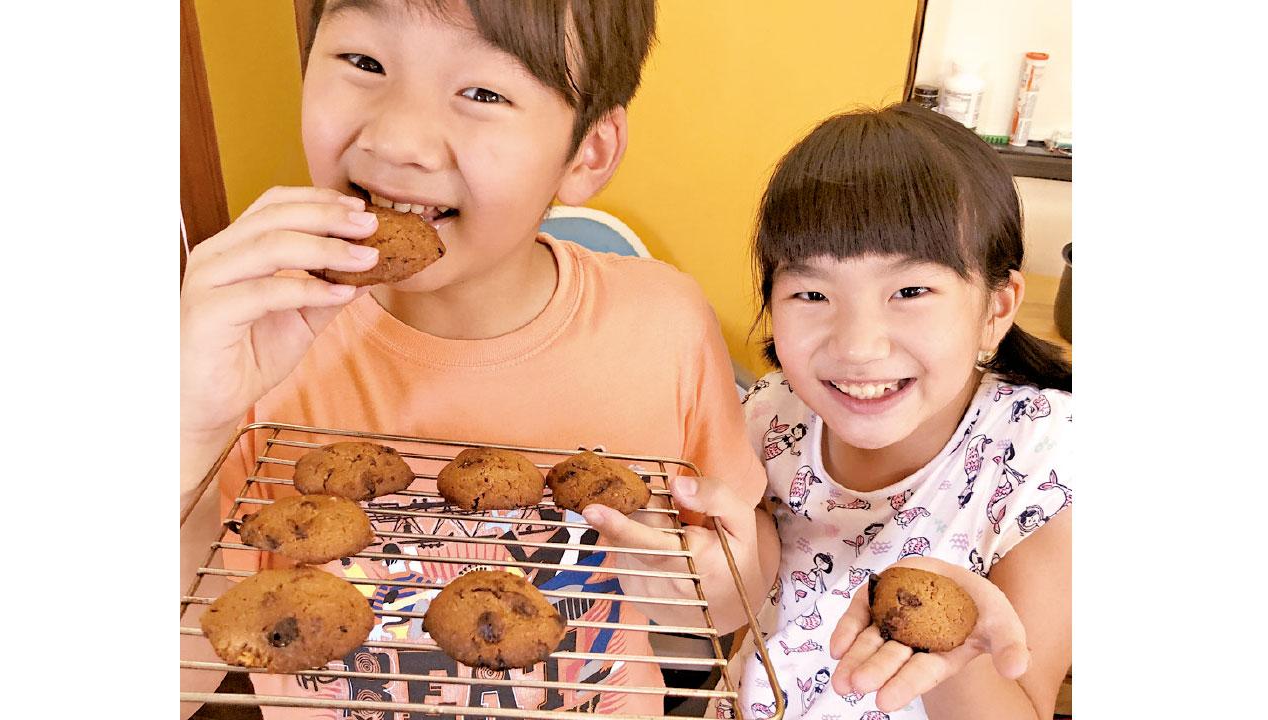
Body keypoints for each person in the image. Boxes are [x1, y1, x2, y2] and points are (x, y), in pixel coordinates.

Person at [178, 1, 767, 717]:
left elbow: (732, 588)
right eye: (365, 62)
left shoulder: (664, 326)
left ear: (587, 151)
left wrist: (718, 586)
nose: (398, 140)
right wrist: (188, 428)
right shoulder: (242, 338)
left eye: (483, 92)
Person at [588, 103, 1071, 720]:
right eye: (812, 293)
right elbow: (740, 602)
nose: (857, 346)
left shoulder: (1043, 457)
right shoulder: (771, 418)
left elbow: (1023, 707)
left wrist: (961, 652)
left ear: (997, 307)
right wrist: (689, 575)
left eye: (910, 291)